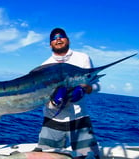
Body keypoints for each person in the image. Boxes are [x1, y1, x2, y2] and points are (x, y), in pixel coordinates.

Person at [36, 28, 101, 159]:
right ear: (50, 44)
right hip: (52, 120)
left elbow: (96, 85)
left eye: (61, 36)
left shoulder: (83, 58)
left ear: (68, 40)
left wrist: (85, 88)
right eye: (54, 38)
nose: (58, 39)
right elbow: (41, 98)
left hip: (80, 119)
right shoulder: (45, 66)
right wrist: (54, 103)